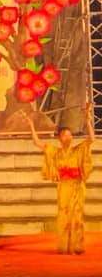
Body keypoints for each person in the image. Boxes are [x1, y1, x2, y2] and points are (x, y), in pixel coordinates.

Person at [28, 106, 94, 254]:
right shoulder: (55, 152)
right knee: (64, 215)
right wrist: (31, 126)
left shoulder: (78, 149)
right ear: (59, 138)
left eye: (70, 135)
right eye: (64, 135)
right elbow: (38, 143)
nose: (68, 138)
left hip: (77, 185)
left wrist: (88, 119)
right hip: (64, 186)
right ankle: (65, 245)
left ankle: (77, 245)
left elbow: (91, 138)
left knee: (76, 215)